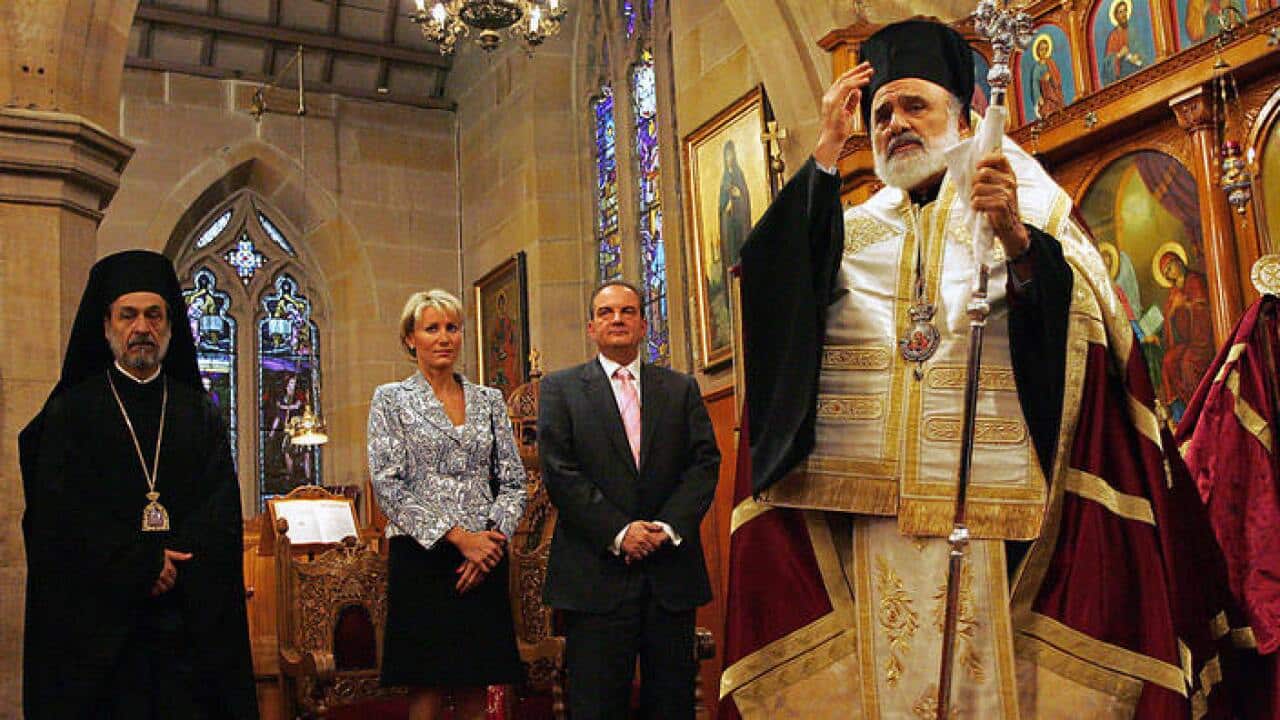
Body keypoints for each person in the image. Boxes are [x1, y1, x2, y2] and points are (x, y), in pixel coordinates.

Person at [722, 19, 1238, 718]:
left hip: (1006, 525)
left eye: (914, 106)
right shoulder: (846, 230)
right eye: (879, 115)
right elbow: (771, 290)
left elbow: (1082, 340)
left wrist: (1022, 246)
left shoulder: (1025, 201)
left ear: (962, 117)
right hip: (873, 524)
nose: (895, 125)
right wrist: (823, 152)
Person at [19, 250, 257, 719]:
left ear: (170, 325)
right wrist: (139, 562)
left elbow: (221, 505)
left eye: (154, 315)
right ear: (106, 324)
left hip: (184, 631)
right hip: (102, 636)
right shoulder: (72, 413)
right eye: (128, 315)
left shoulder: (198, 410)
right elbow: (56, 514)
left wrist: (175, 558)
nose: (141, 328)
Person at [537, 281, 721, 720]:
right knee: (596, 708)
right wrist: (619, 532)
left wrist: (666, 527)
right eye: (606, 312)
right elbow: (560, 473)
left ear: (642, 324)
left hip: (669, 575)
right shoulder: (561, 390)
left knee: (672, 706)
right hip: (595, 576)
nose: (616, 319)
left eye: (627, 311)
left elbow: (704, 463)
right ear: (591, 327)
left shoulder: (680, 389)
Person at [366, 289, 527, 720]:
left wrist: (488, 544)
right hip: (423, 555)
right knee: (428, 687)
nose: (444, 337)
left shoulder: (490, 400)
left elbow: (514, 482)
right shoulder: (391, 400)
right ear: (410, 339)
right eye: (431, 328)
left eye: (452, 328)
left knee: (478, 681)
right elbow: (388, 485)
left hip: (485, 559)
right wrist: (459, 539)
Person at [1103, 0, 1147, 84]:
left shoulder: (1132, 31)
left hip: (1136, 71)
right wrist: (1119, 55)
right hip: (1122, 77)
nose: (1123, 14)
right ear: (1116, 16)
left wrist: (1138, 56)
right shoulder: (1113, 36)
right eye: (1120, 12)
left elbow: (1141, 50)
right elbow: (1107, 63)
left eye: (1125, 10)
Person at [1030, 35, 1065, 118]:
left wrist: (1051, 77)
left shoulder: (1051, 63)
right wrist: (1039, 97)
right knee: (1048, 110)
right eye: (1042, 49)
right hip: (1045, 95)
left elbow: (1057, 77)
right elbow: (1035, 84)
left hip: (1054, 92)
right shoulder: (1037, 68)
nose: (1044, 52)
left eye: (1046, 49)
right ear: (1038, 51)